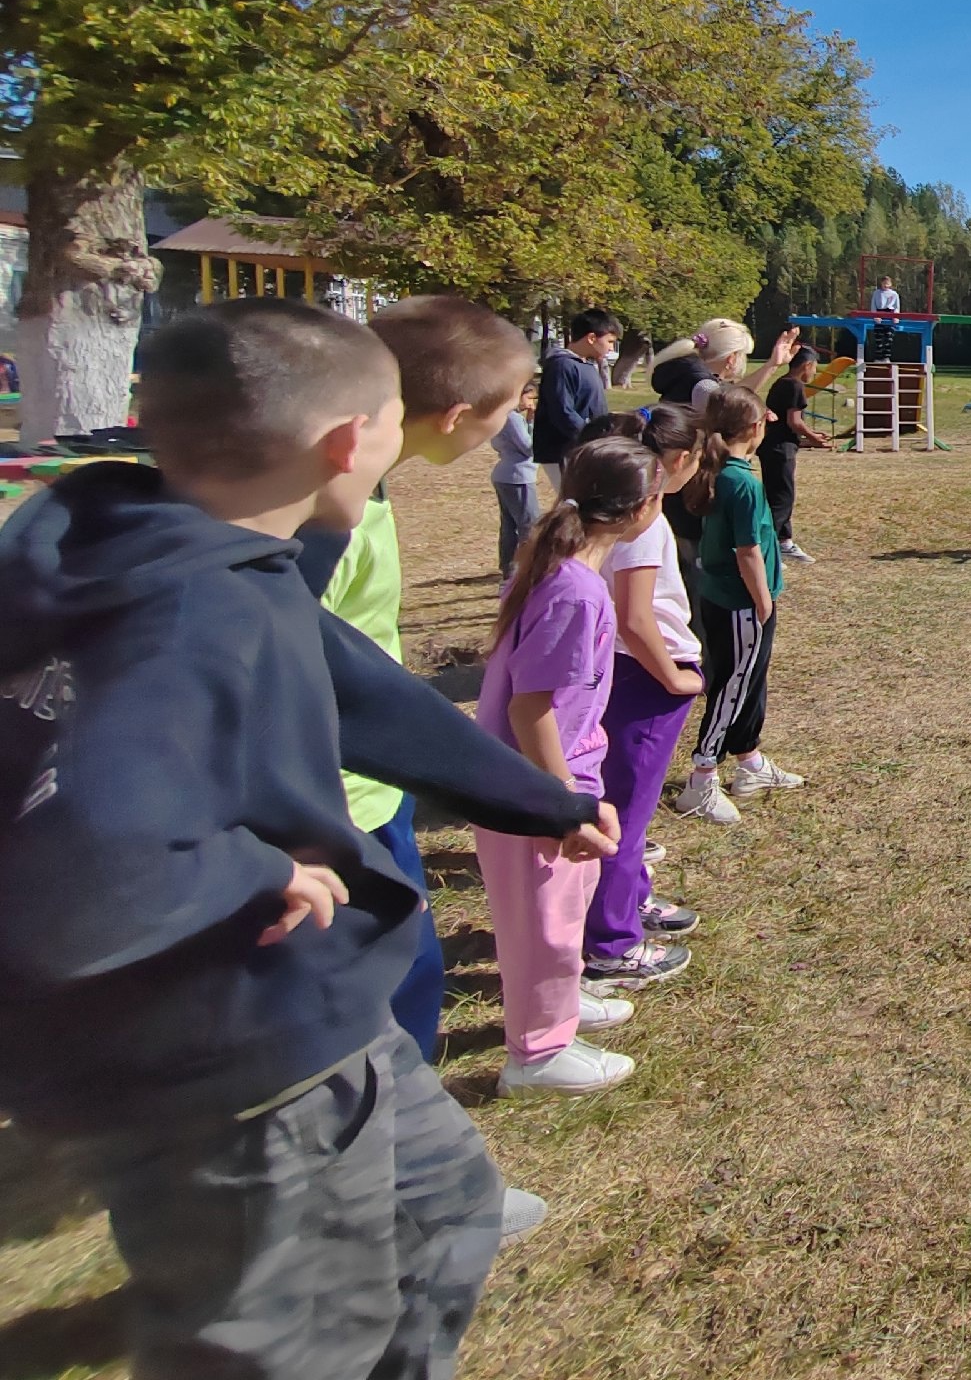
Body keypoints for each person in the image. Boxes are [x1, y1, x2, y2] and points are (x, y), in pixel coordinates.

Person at [0, 300, 613, 1378]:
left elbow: (356, 688)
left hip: (310, 1018)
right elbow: (94, 867)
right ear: (349, 442)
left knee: (444, 1216)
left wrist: (536, 802)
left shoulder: (190, 549)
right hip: (229, 1051)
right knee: (281, 1345)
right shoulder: (188, 612)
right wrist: (253, 865)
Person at [299, 294, 539, 1071]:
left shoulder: (363, 484)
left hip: (375, 785)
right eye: (505, 411)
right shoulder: (321, 519)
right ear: (455, 415)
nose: (508, 427)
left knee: (413, 978)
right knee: (390, 996)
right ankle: (396, 1171)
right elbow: (283, 675)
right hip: (331, 809)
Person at [473, 434, 663, 1097]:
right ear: (645, 508)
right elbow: (532, 709)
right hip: (534, 792)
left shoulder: (557, 568)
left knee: (560, 915)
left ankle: (564, 1005)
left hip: (552, 780)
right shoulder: (576, 590)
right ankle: (538, 1054)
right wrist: (563, 803)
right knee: (543, 927)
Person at [581, 409, 705, 988]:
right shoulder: (646, 523)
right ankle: (611, 943)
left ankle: (630, 901)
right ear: (678, 461)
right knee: (626, 812)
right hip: (645, 676)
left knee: (632, 805)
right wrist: (673, 676)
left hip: (637, 671)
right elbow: (634, 616)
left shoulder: (634, 511)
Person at [674, 385, 805, 823]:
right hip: (741, 604)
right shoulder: (742, 483)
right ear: (755, 427)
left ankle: (748, 762)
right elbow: (747, 550)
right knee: (733, 685)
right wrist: (763, 601)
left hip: (727, 599)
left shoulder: (720, 470)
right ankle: (701, 777)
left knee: (750, 680)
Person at [533, 308, 619, 495]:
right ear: (591, 338)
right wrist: (590, 435)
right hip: (563, 451)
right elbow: (562, 412)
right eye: (610, 342)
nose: (611, 348)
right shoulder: (561, 365)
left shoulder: (585, 365)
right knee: (574, 504)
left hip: (584, 448)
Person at [647, 317, 800, 412]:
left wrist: (773, 365)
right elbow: (731, 403)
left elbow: (730, 393)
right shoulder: (703, 385)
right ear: (731, 358)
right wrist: (772, 365)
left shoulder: (688, 374)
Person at [761, 347, 827, 563]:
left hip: (772, 445)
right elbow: (794, 421)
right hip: (780, 449)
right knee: (782, 498)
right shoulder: (795, 385)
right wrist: (814, 438)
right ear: (807, 365)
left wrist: (808, 439)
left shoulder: (782, 383)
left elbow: (783, 423)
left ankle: (784, 542)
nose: (814, 373)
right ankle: (766, 550)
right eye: (814, 368)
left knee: (778, 494)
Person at [493, 377, 540, 573]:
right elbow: (528, 447)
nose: (531, 404)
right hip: (518, 476)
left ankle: (509, 567)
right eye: (529, 399)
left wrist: (528, 421)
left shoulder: (503, 416)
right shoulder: (513, 418)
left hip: (504, 474)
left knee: (510, 525)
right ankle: (526, 567)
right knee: (529, 525)